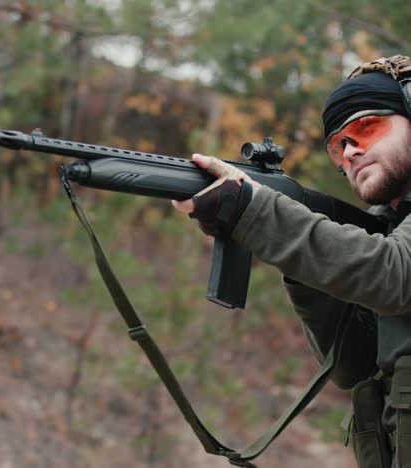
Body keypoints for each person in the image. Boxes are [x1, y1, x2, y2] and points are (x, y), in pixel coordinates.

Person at [172, 55, 411, 468]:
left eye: (367, 128)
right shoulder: (385, 228)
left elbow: (394, 274)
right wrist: (297, 262)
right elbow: (352, 366)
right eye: (339, 146)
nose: (351, 150)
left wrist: (258, 213)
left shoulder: (388, 251)